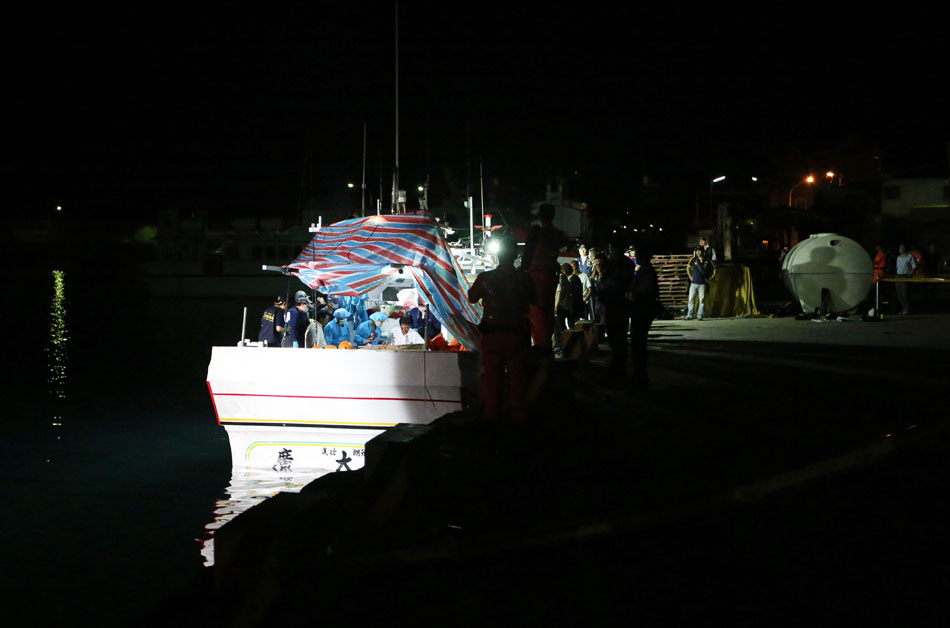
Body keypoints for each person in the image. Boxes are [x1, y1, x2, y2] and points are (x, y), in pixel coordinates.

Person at [467, 235, 535, 423]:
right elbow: (533, 300)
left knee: (492, 380)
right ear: (515, 255)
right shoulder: (524, 278)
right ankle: (518, 419)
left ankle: (491, 418)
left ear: (497, 255)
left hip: (492, 335)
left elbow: (471, 297)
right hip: (518, 335)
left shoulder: (485, 278)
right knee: (518, 380)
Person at [521, 203, 565, 352]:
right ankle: (545, 346)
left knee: (536, 315)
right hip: (550, 278)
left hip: (536, 278)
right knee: (546, 315)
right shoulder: (557, 234)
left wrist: (522, 272)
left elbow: (527, 256)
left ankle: (540, 349)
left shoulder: (536, 233)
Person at [625, 246, 661, 388]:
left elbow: (640, 293)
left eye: (638, 255)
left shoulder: (647, 273)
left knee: (638, 344)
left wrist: (630, 294)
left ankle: (640, 376)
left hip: (642, 311)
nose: (636, 257)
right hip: (640, 310)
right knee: (637, 344)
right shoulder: (644, 271)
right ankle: (639, 375)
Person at [600, 240, 636, 378]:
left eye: (612, 248)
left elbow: (618, 282)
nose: (610, 251)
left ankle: (620, 365)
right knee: (615, 335)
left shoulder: (623, 264)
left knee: (618, 335)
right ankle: (617, 363)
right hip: (613, 302)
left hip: (619, 302)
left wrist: (608, 285)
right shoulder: (614, 263)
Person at [685, 248, 715, 320]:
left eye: (699, 251)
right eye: (697, 251)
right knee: (691, 299)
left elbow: (714, 268)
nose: (698, 252)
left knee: (702, 300)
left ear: (703, 252)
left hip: (703, 284)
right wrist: (690, 276)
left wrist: (711, 278)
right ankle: (689, 315)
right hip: (693, 283)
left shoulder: (707, 260)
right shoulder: (693, 259)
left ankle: (700, 315)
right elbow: (688, 268)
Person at [895, 244, 916, 315]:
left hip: (905, 276)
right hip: (898, 277)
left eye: (903, 248)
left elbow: (914, 267)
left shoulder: (909, 256)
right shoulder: (898, 257)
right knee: (899, 294)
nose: (901, 249)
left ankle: (906, 310)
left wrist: (909, 275)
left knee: (905, 294)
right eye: (900, 248)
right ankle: (902, 309)